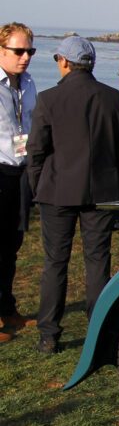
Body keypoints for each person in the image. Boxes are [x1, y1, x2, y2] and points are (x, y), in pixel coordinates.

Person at [27, 36, 119, 354]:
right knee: (98, 262)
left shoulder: (48, 99)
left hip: (57, 190)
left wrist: (37, 187)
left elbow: (36, 151)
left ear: (64, 62)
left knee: (55, 263)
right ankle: (99, 331)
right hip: (102, 191)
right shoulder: (114, 99)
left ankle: (49, 334)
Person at [0, 23, 38, 342]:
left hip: (21, 172)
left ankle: (7, 308)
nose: (25, 57)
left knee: (12, 245)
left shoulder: (28, 83)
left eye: (30, 51)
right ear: (1, 51)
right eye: (18, 51)